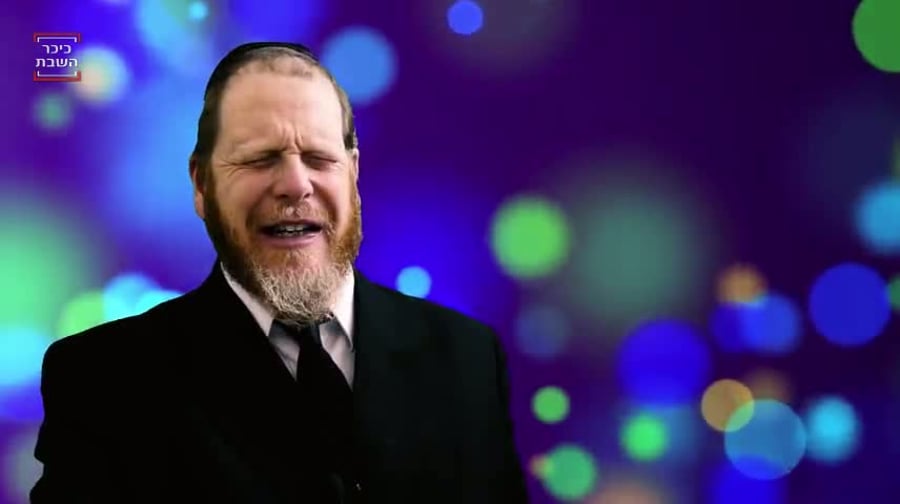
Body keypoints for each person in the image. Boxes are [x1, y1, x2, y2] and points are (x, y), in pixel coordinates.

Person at [29, 42, 528, 503]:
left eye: (319, 158)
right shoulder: (104, 381)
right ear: (201, 184)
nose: (295, 184)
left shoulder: (468, 358)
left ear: (353, 173)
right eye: (259, 159)